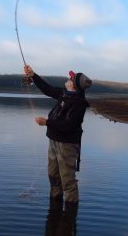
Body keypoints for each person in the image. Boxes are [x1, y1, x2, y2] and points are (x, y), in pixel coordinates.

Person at [23, 64, 92, 203]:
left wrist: (46, 122)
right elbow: (47, 89)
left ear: (75, 86)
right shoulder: (64, 93)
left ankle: (71, 213)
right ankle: (55, 205)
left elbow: (67, 126)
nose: (68, 78)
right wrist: (33, 75)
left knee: (68, 181)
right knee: (53, 176)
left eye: (71, 78)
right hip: (53, 141)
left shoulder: (79, 103)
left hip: (67, 145)